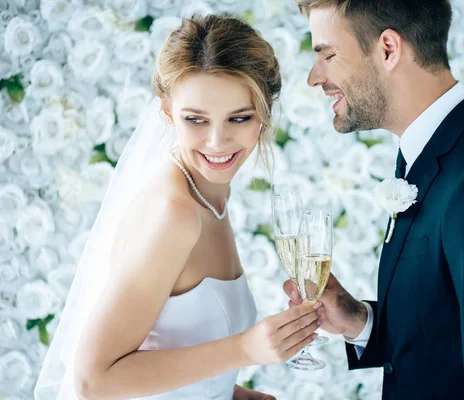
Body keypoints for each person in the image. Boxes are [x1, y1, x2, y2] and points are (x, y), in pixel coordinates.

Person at [284, 1, 464, 399]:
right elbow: (448, 336)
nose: (315, 78)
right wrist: (359, 321)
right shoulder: (433, 158)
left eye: (328, 55)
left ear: (388, 48)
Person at [35, 14, 323, 400]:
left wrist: (235, 394)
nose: (218, 142)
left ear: (265, 112)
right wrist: (245, 349)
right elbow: (93, 381)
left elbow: (166, 348)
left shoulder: (209, 193)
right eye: (195, 120)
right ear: (168, 113)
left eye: (239, 117)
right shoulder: (177, 213)